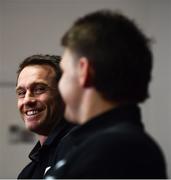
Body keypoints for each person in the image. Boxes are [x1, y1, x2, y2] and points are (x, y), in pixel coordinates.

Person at [45, 10, 167, 179]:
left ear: (84, 71)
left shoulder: (115, 150)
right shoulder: (94, 145)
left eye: (64, 72)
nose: (59, 85)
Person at [16, 55, 73, 179]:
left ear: (65, 93)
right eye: (21, 93)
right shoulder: (28, 173)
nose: (27, 100)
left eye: (39, 89)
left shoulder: (82, 151)